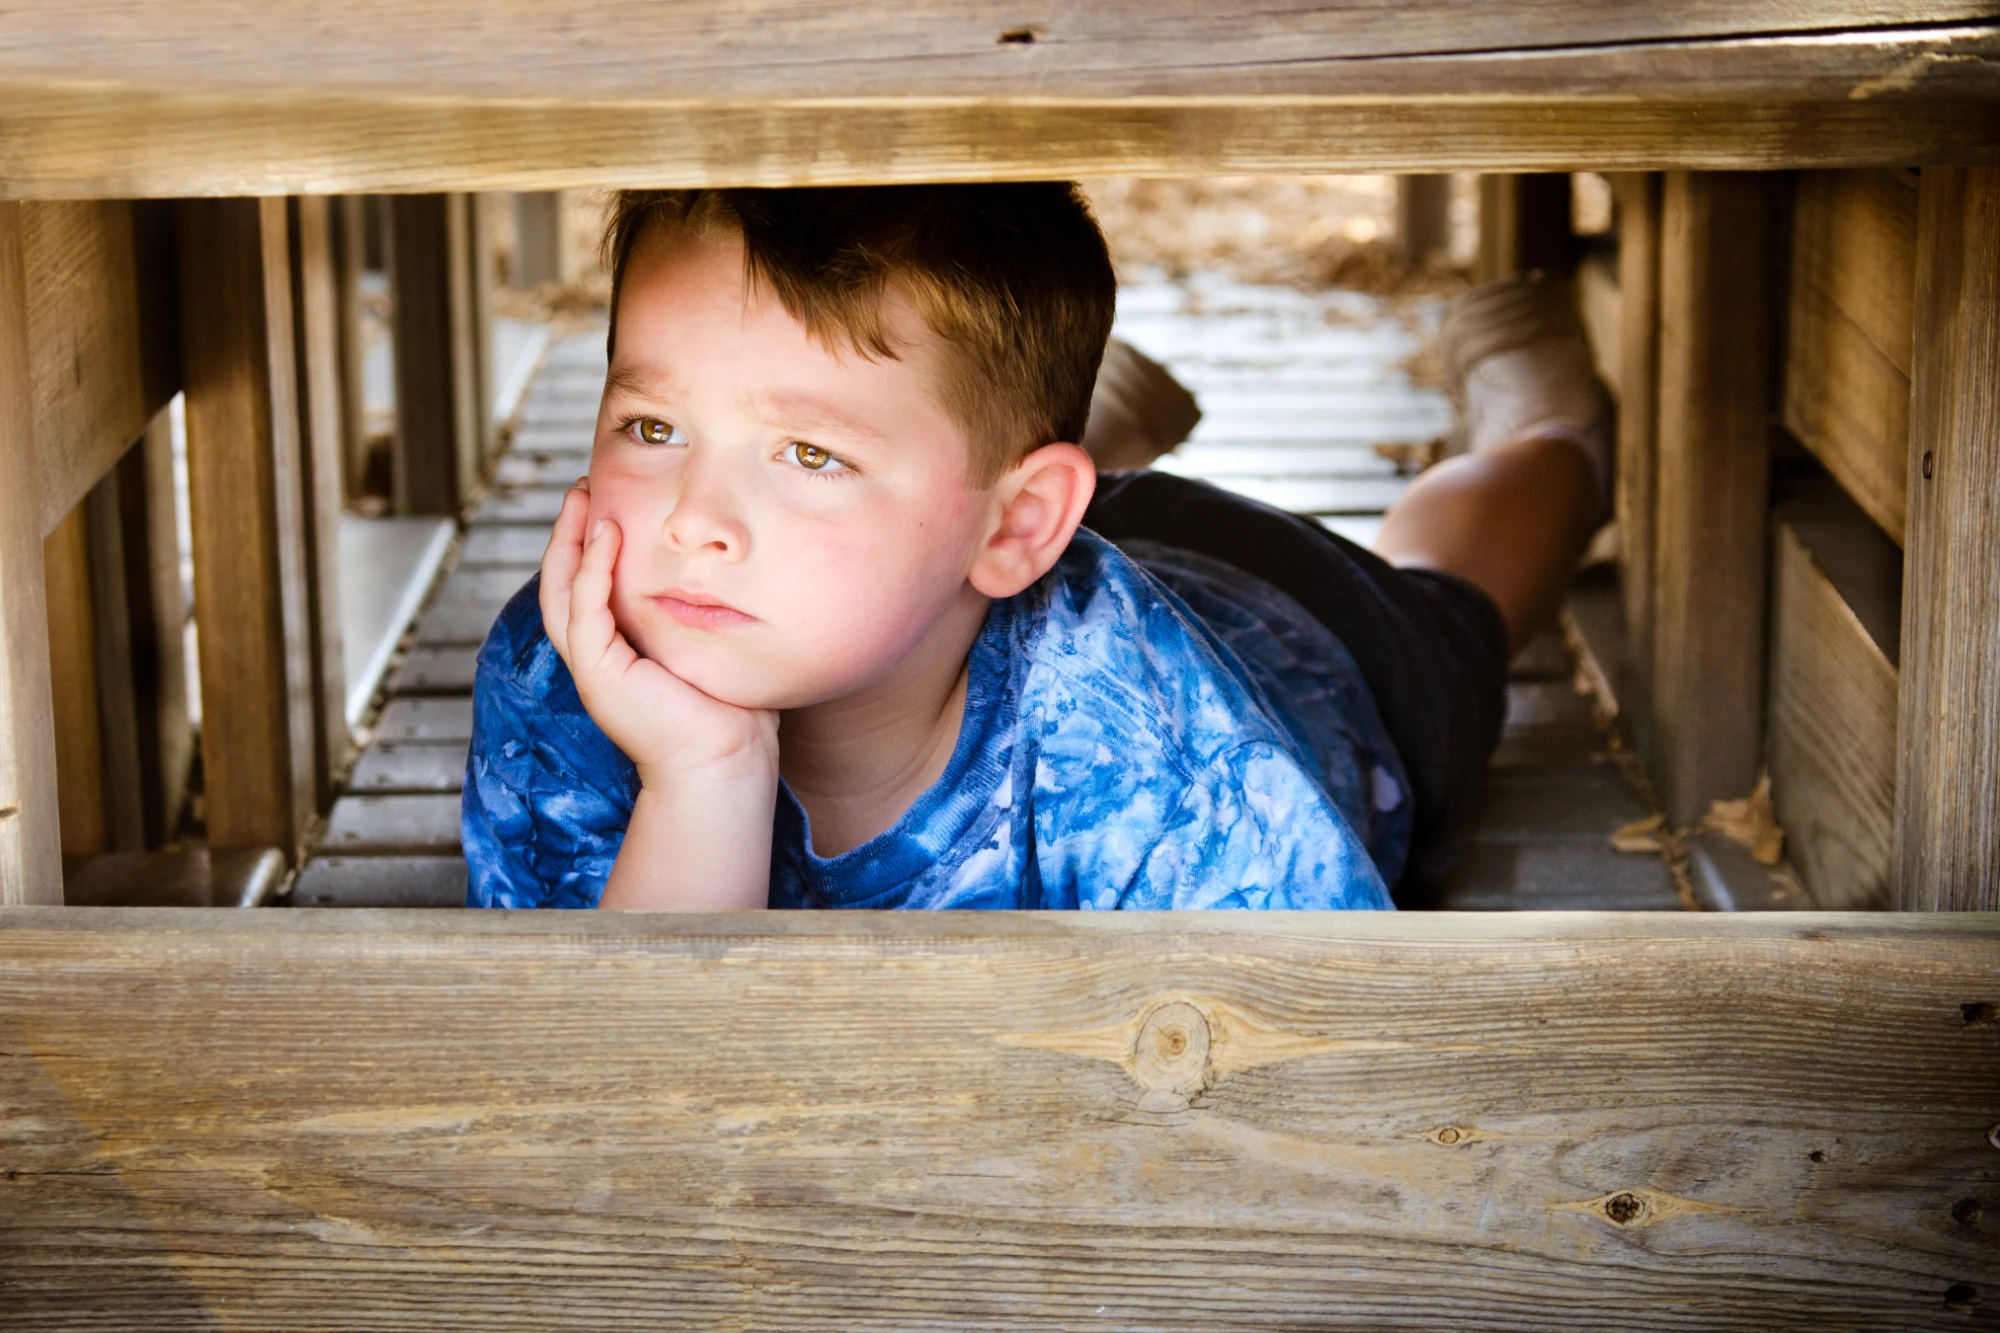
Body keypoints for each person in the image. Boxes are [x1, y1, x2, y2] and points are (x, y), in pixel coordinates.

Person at [461, 183, 1609, 911]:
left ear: (1016, 526)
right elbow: (635, 1095)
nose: (688, 519)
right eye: (652, 427)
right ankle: (1081, 414)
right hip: (974, 555)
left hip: (1301, 639)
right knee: (946, 448)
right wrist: (703, 774)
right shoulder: (570, 655)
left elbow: (1305, 1070)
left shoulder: (1149, 748)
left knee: (1457, 603)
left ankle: (1542, 413)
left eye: (810, 455)